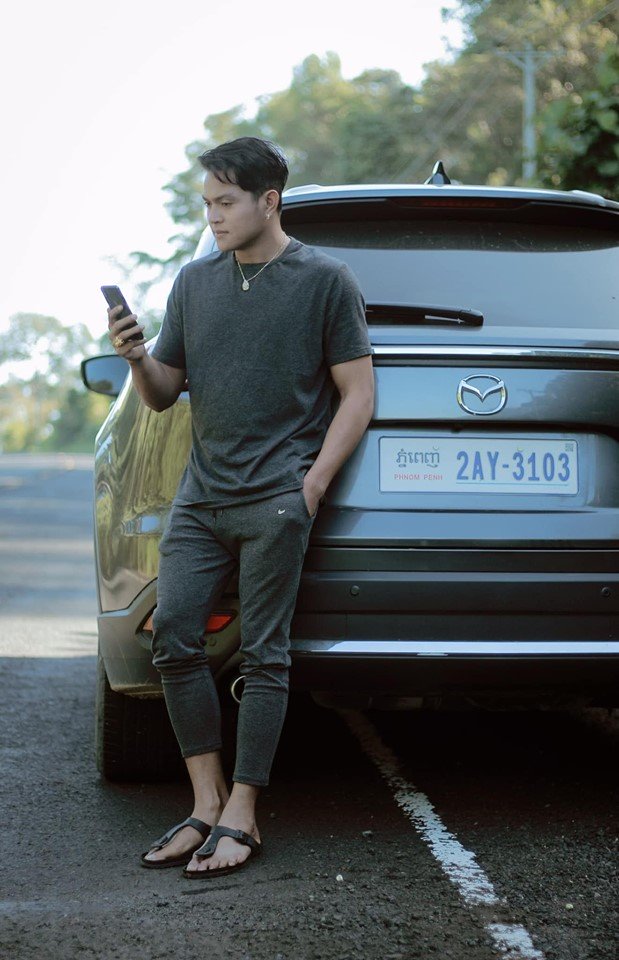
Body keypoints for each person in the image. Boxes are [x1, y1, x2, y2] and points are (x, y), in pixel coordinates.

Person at [106, 136, 374, 879]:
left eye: (225, 202)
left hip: (275, 501)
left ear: (268, 200)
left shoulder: (324, 280)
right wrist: (136, 357)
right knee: (174, 641)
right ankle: (205, 804)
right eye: (207, 204)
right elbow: (163, 395)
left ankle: (243, 814)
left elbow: (358, 394)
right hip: (200, 501)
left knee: (264, 655)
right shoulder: (194, 282)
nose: (213, 217)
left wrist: (310, 486)